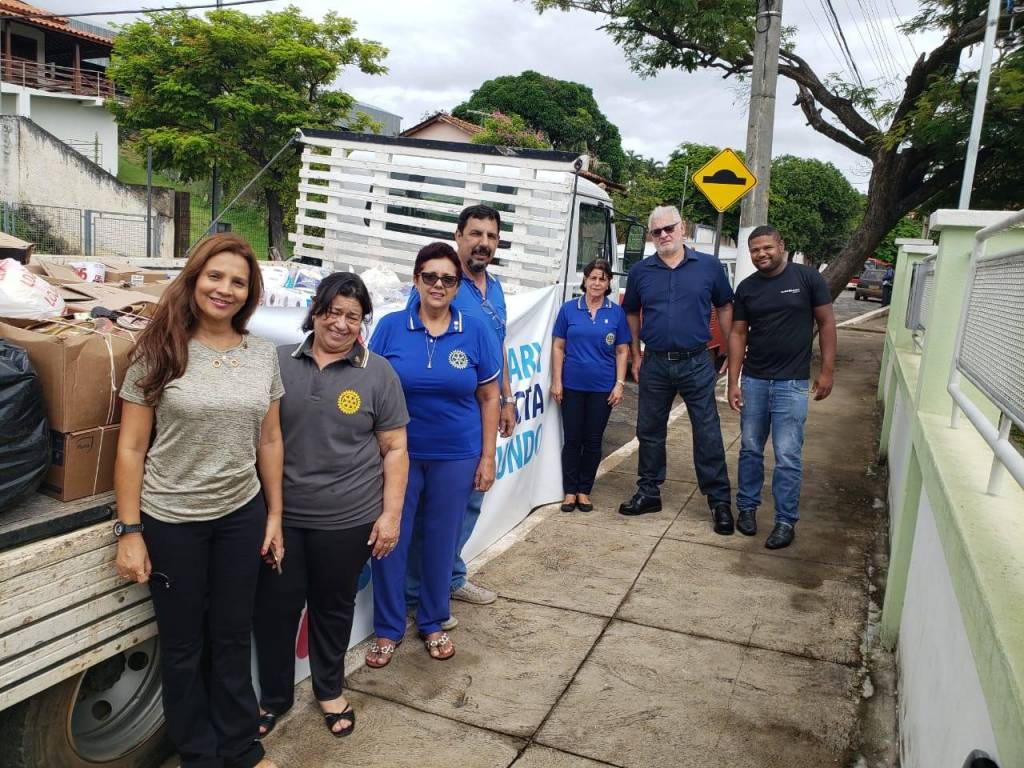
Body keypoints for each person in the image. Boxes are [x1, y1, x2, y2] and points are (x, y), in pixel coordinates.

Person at [113, 233, 282, 768]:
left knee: (232, 638)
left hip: (240, 515)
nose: (225, 289)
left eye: (238, 281)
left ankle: (241, 749)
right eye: (215, 276)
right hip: (173, 521)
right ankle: (199, 756)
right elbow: (131, 448)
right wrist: (130, 531)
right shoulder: (160, 351)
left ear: (250, 292)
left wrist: (275, 514)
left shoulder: (262, 355)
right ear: (194, 280)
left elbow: (269, 439)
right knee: (183, 648)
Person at [253, 273, 409, 738]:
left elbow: (395, 448)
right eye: (333, 312)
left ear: (363, 323)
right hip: (282, 517)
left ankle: (329, 690)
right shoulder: (278, 362)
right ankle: (274, 697)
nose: (340, 324)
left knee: (333, 608)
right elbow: (262, 438)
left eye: (352, 317)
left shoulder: (378, 373)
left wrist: (391, 515)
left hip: (347, 520)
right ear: (316, 312)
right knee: (276, 611)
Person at [366, 242, 501, 666]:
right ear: (416, 280)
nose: (438, 285)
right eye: (430, 276)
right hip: (397, 455)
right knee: (391, 539)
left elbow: (489, 397)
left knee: (443, 540)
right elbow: (369, 387)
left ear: (457, 285)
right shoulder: (391, 327)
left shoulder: (475, 330)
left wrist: (488, 457)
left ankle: (433, 620)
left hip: (456, 455)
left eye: (447, 278)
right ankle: (388, 628)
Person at [406, 204, 515, 617]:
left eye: (491, 236)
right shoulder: (443, 284)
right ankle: (416, 594)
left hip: (477, 418)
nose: (483, 243)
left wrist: (506, 398)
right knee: (429, 513)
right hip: (436, 423)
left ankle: (449, 578)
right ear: (458, 236)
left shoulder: (496, 289)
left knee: (469, 503)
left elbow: (499, 347)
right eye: (475, 234)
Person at [619, 205, 736, 535]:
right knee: (649, 429)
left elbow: (725, 306)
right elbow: (631, 312)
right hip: (655, 362)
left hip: (696, 362)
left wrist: (732, 350)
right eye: (656, 231)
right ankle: (648, 492)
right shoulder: (641, 271)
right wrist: (636, 354)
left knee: (707, 431)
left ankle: (719, 501)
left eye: (669, 228)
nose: (664, 235)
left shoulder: (709, 267)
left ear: (682, 227)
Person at [727, 225, 837, 549]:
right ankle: (747, 509)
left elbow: (826, 323)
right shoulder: (747, 288)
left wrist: (827, 371)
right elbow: (738, 334)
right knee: (750, 449)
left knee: (787, 455)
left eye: (767, 248)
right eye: (755, 250)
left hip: (792, 384)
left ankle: (785, 521)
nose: (761, 254)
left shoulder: (808, 279)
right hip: (755, 381)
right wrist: (733, 381)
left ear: (781, 246)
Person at [550, 258, 631, 511]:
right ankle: (569, 491)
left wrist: (619, 383)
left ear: (608, 284)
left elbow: (622, 351)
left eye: (602, 279)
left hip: (602, 389)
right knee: (573, 439)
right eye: (592, 278)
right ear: (585, 280)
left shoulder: (616, 312)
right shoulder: (568, 310)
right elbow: (558, 346)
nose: (597, 283)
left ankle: (584, 490)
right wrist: (557, 381)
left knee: (593, 440)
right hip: (572, 386)